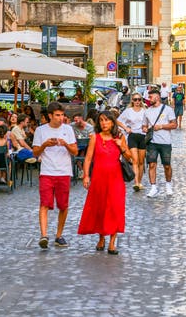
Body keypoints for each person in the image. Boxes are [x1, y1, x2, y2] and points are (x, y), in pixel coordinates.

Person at [79, 111, 131, 254]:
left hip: (116, 179)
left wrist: (122, 146)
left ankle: (112, 243)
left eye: (107, 120)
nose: (104, 123)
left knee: (115, 208)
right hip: (99, 179)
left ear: (113, 122)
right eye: (101, 120)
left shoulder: (119, 137)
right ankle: (101, 238)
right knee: (101, 208)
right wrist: (86, 176)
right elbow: (88, 159)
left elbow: (130, 157)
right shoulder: (95, 138)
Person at [33, 102, 78, 249]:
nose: (61, 118)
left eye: (62, 115)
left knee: (63, 205)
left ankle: (59, 235)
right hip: (47, 171)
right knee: (44, 203)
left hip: (64, 172)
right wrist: (45, 145)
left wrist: (65, 144)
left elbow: (75, 151)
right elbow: (35, 153)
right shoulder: (40, 131)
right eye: (57, 115)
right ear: (50, 116)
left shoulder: (68, 129)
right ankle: (44, 235)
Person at [142, 89, 177, 198]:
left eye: (151, 97)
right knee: (152, 164)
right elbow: (144, 125)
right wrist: (145, 129)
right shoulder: (147, 111)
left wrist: (161, 126)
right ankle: (153, 187)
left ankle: (168, 184)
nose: (149, 99)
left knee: (167, 165)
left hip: (165, 142)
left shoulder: (167, 109)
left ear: (157, 97)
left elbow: (174, 125)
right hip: (152, 142)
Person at [117, 92, 147, 191]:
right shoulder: (128, 111)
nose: (137, 101)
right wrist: (126, 128)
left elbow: (150, 122)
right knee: (135, 160)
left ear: (141, 100)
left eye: (139, 99)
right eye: (135, 99)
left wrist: (146, 128)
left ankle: (140, 181)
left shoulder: (145, 111)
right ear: (132, 101)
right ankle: (136, 183)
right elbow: (118, 121)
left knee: (141, 161)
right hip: (132, 136)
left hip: (143, 136)